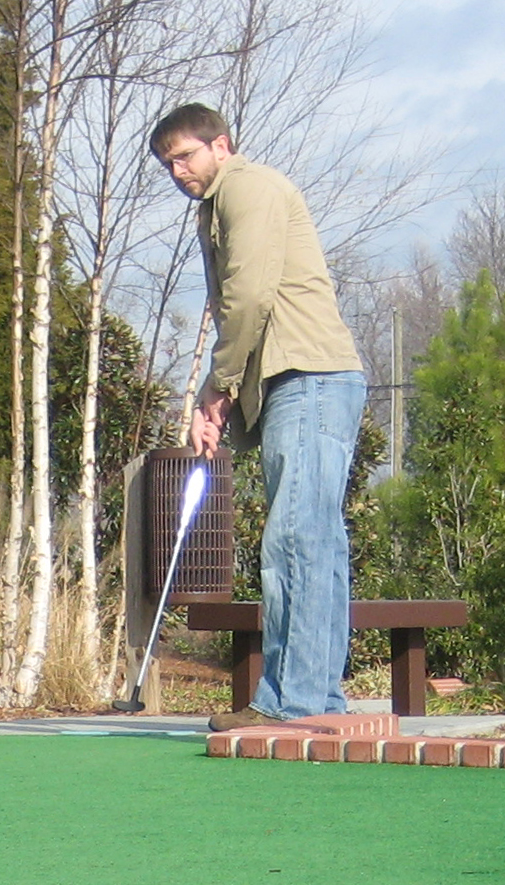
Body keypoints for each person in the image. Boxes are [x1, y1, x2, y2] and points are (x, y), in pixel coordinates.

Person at [150, 103, 366, 731]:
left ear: (220, 145)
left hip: (308, 378)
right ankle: (317, 701)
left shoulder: (246, 187)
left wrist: (216, 389)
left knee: (296, 536)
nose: (178, 171)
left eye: (185, 156)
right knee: (316, 539)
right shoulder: (217, 203)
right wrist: (223, 398)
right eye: (168, 164)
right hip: (298, 380)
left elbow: (247, 298)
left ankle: (290, 702)